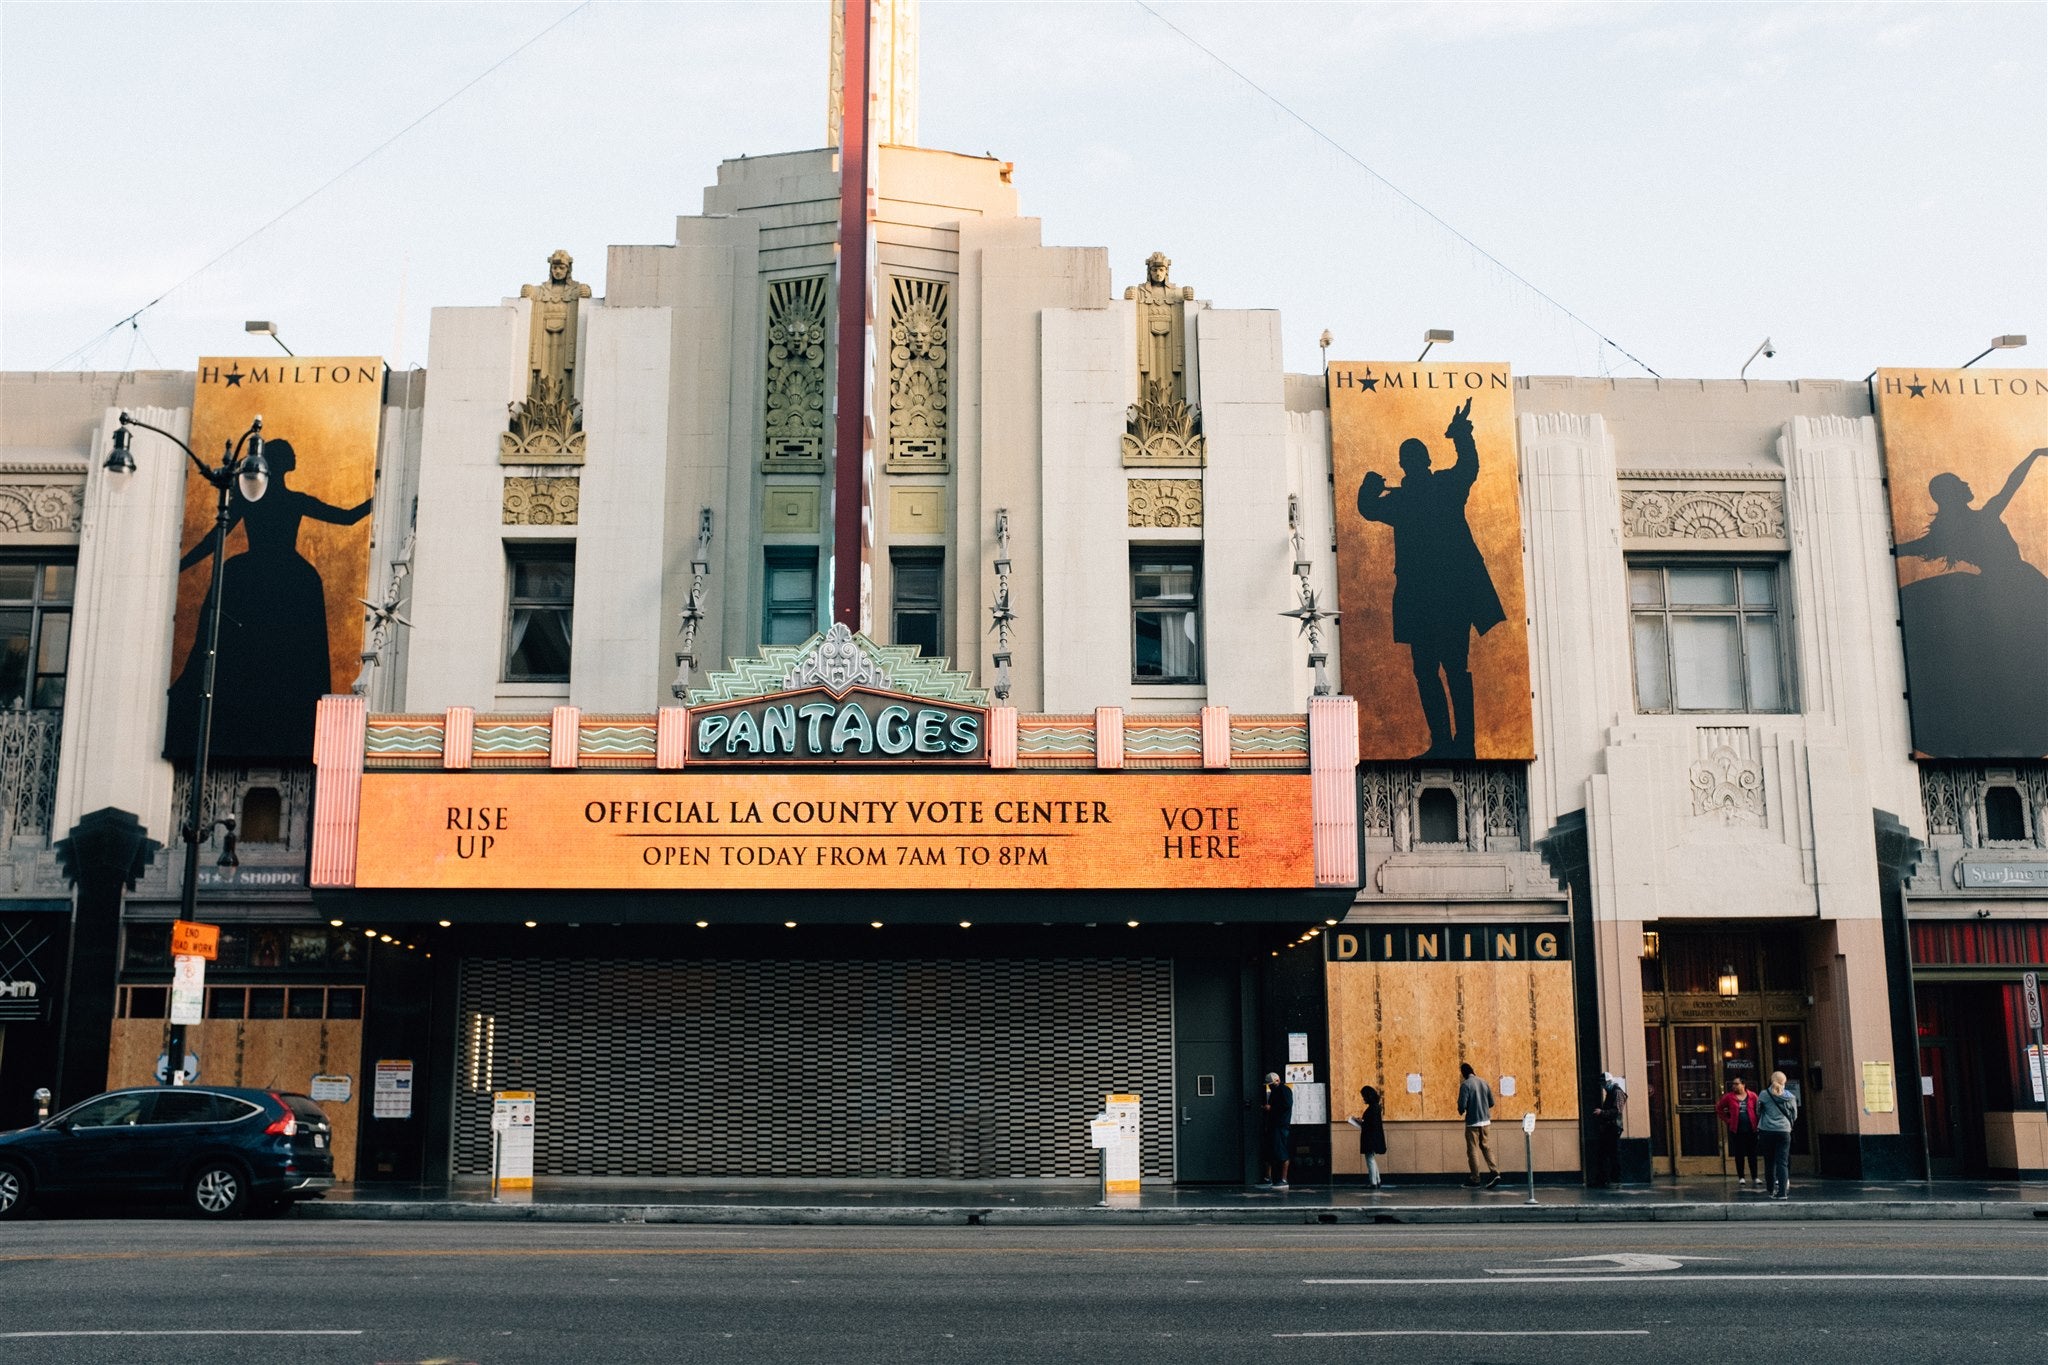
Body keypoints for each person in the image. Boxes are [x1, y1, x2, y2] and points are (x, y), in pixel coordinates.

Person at [165, 438, 373, 761]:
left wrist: (182, 565)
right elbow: (347, 518)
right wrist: (378, 499)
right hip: (289, 578)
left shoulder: (255, 502)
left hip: (252, 573)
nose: (295, 456)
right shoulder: (289, 501)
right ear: (280, 461)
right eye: (290, 453)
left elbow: (213, 539)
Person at [1355, 397, 1508, 759]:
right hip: (1444, 595)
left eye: (1410, 458)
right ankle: (1454, 743)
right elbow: (1468, 466)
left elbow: (1368, 506)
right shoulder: (1440, 488)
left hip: (1431, 597)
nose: (1410, 463)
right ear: (1422, 461)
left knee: (1433, 670)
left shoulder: (1409, 497)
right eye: (1409, 458)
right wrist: (1460, 433)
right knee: (1446, 668)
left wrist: (1369, 485)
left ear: (1411, 463)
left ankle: (1453, 743)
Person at [1757, 1070, 1799, 1200]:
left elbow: (1758, 1111)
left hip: (1767, 1131)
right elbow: (1794, 1115)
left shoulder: (1764, 1094)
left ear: (1771, 1080)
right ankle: (1782, 1193)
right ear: (1784, 1082)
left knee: (1769, 1162)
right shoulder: (1790, 1097)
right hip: (1784, 1131)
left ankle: (1770, 1190)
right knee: (1782, 1162)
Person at [1457, 1062, 1499, 1188]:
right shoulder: (1483, 1082)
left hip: (1472, 1123)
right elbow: (1491, 1103)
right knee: (1486, 1147)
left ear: (1463, 1073)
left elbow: (1462, 1106)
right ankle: (1495, 1172)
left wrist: (1461, 1110)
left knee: (1472, 1150)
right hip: (1486, 1122)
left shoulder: (1465, 1085)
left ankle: (1475, 1178)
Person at [1717, 1076, 1761, 1188]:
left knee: (1752, 1153)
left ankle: (1755, 1176)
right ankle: (1741, 1177)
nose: (1734, 1086)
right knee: (1739, 1153)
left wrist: (1758, 1122)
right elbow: (1719, 1108)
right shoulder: (1729, 1097)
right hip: (1737, 1129)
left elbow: (1759, 1109)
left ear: (1743, 1084)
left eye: (1736, 1084)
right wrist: (1728, 1120)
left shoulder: (1752, 1096)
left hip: (1752, 1129)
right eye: (1733, 1084)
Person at [1590, 1072, 1626, 1188]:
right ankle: (1604, 1179)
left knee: (1614, 1155)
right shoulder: (1611, 1093)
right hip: (1608, 1128)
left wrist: (1602, 1112)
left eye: (1604, 1083)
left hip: (1614, 1128)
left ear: (1609, 1082)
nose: (1603, 1086)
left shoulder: (1617, 1092)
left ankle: (1616, 1180)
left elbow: (1616, 1111)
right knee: (1604, 1154)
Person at [1259, 1071, 1293, 1189]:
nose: (1270, 1086)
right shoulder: (1275, 1091)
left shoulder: (1284, 1090)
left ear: (1277, 1081)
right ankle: (1268, 1178)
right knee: (1270, 1150)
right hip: (1274, 1125)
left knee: (1281, 1150)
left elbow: (1287, 1105)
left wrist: (1271, 1108)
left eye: (1271, 1084)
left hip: (1281, 1125)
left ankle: (1284, 1179)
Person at [1350, 1084, 1388, 1189]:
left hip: (1370, 1137)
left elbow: (1369, 1124)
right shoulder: (1376, 1107)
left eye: (1364, 1096)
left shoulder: (1372, 1108)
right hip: (1373, 1136)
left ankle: (1373, 1182)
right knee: (1372, 1158)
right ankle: (1377, 1180)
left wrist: (1359, 1121)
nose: (1363, 1098)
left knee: (1369, 1159)